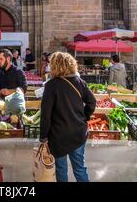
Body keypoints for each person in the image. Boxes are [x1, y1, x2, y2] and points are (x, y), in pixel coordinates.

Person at [39, 51, 96, 182]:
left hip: (58, 136)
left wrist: (43, 137)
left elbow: (45, 115)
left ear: (54, 65)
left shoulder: (51, 85)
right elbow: (92, 102)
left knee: (61, 170)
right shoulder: (79, 81)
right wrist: (84, 117)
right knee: (80, 169)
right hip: (78, 133)